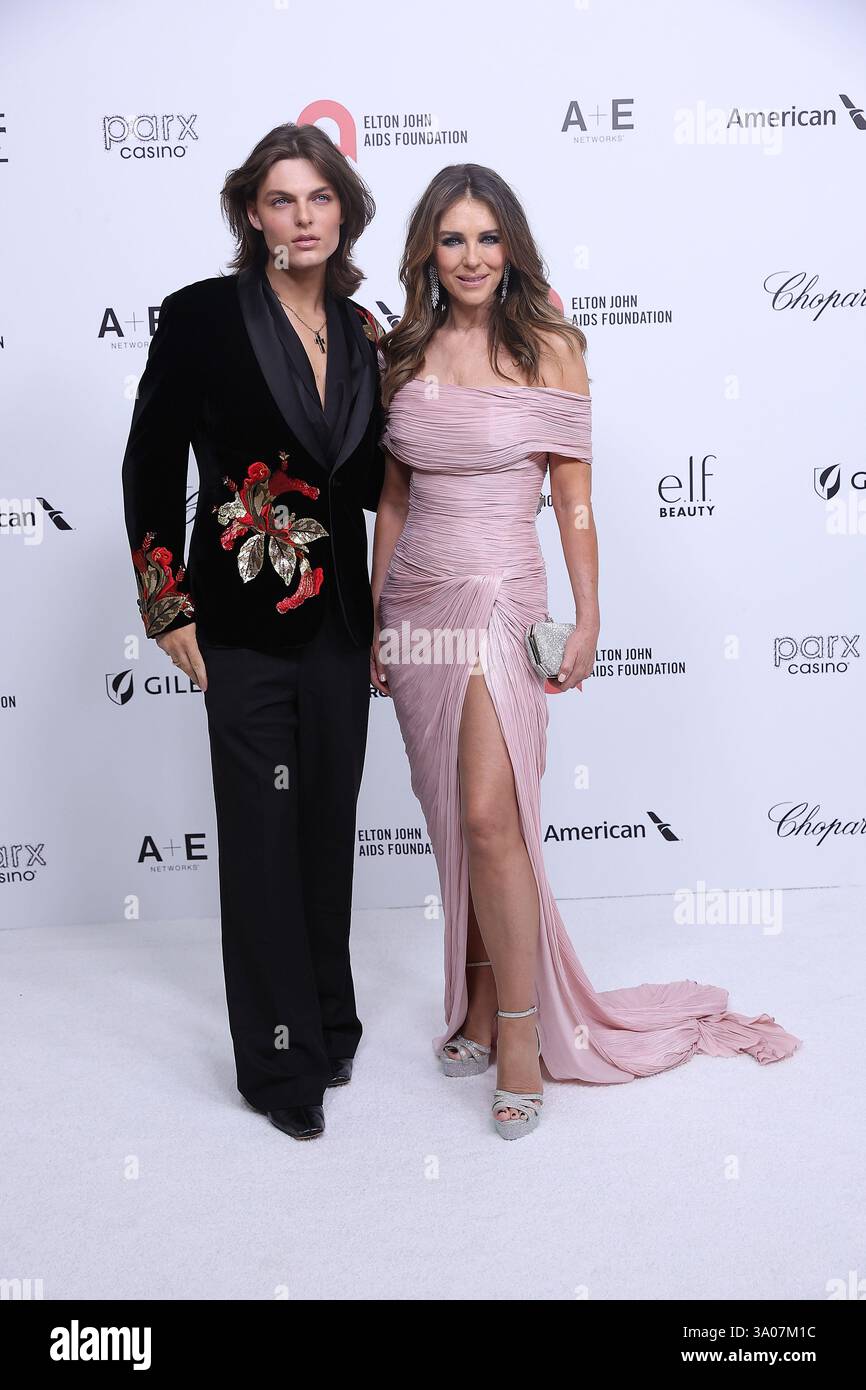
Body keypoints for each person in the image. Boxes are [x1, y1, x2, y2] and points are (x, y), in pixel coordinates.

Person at [371, 163, 801, 1141]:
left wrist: (590, 613)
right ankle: (477, 1001)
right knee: (449, 817)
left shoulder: (552, 348)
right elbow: (392, 499)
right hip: (416, 601)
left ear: (511, 244)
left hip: (498, 593)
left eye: (487, 237)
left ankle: (518, 1033)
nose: (471, 256)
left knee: (491, 817)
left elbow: (571, 498)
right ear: (427, 253)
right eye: (452, 239)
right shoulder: (401, 348)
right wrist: (372, 619)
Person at [121, 122, 386, 1141]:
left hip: (339, 623)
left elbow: (361, 484)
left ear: (343, 212)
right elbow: (149, 464)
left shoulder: (365, 331)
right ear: (250, 214)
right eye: (281, 200)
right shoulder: (200, 318)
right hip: (233, 621)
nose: (302, 217)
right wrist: (163, 599)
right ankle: (281, 1066)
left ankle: (328, 1014)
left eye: (319, 198)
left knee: (325, 824)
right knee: (262, 840)